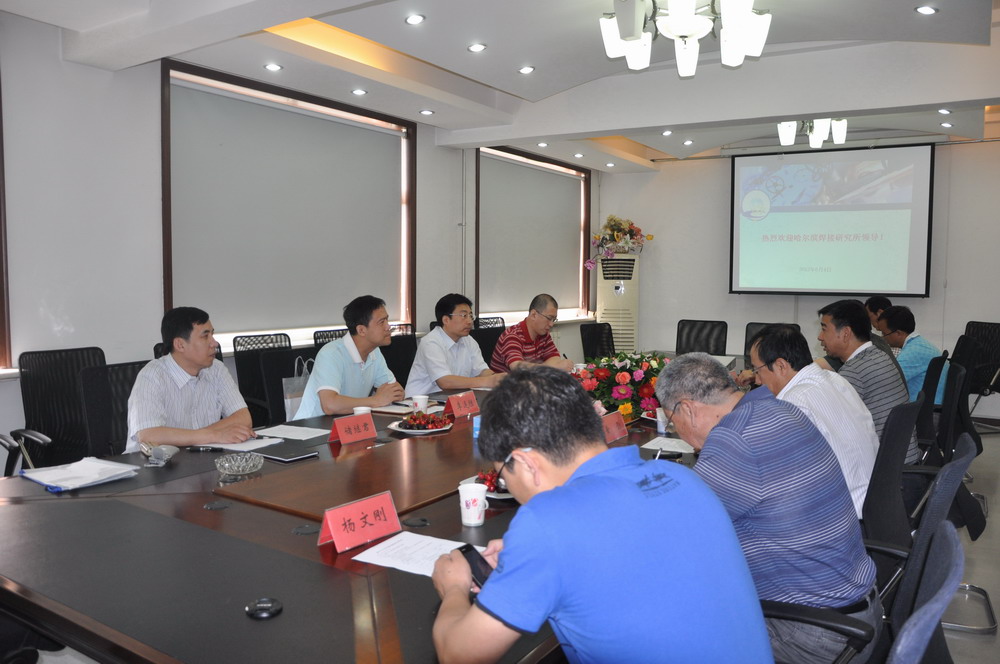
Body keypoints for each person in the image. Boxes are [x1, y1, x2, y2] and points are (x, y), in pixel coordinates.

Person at [431, 366, 773, 664]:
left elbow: (459, 654)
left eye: (504, 476)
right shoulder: (681, 476)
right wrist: (528, 556)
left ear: (525, 463)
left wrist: (455, 587)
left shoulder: (547, 524)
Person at [655, 353, 880, 664]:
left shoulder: (734, 439)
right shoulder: (780, 407)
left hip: (812, 634)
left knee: (665, 629)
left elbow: (673, 533)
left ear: (688, 409)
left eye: (672, 421)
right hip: (857, 614)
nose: (678, 431)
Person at [748, 324, 879, 517]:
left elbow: (777, 478)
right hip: (873, 501)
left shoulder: (792, 404)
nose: (757, 380)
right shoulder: (835, 379)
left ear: (781, 366)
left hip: (840, 514)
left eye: (757, 370)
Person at [126, 307, 252, 452]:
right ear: (180, 345)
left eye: (212, 334)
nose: (214, 343)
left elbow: (243, 418)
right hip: (150, 462)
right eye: (205, 336)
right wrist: (214, 435)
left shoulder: (216, 369)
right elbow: (148, 435)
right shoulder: (152, 376)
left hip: (198, 457)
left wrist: (198, 437)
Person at [818, 300, 919, 463]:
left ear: (845, 333)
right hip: (900, 460)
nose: (820, 337)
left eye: (824, 329)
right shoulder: (878, 355)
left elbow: (827, 429)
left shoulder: (854, 371)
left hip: (886, 468)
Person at [294, 296, 404, 418]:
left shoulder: (375, 352)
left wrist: (388, 396)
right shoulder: (331, 353)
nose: (388, 327)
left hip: (348, 422)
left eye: (387, 320)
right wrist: (376, 400)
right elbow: (329, 405)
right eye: (381, 322)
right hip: (311, 425)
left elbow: (396, 392)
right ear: (361, 330)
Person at [405, 294, 502, 396]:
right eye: (464, 316)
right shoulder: (431, 342)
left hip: (450, 399)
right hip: (421, 401)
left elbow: (481, 371)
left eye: (470, 316)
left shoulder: (468, 340)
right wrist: (487, 381)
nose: (470, 321)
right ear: (446, 320)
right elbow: (445, 382)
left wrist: (497, 377)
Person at [489, 294, 574, 373]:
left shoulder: (543, 334)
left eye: (554, 320)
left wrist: (543, 367)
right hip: (505, 384)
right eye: (549, 318)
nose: (551, 324)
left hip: (530, 382)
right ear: (534, 315)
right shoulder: (512, 336)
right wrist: (552, 367)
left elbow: (555, 359)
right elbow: (518, 368)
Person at [877, 305, 945, 404]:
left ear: (898, 333)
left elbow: (886, 383)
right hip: (930, 404)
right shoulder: (919, 344)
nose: (883, 338)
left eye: (884, 334)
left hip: (920, 407)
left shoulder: (912, 353)